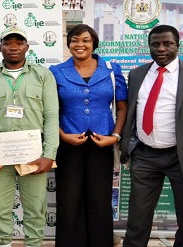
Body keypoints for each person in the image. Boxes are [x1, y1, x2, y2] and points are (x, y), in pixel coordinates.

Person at [0, 25, 59, 247]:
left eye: (19, 43)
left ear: (27, 47)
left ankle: (33, 244)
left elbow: (51, 116)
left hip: (33, 155)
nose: (13, 47)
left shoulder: (43, 76)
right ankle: (3, 243)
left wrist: (49, 154)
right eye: (8, 43)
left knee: (35, 207)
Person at [48, 24, 128, 247]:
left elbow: (122, 107)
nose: (79, 44)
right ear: (69, 44)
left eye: (85, 40)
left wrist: (115, 136)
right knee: (68, 200)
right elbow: (48, 110)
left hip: (101, 143)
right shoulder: (56, 71)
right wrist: (62, 135)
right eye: (74, 40)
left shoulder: (112, 69)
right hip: (68, 143)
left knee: (99, 200)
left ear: (94, 43)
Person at [120, 24, 183, 247]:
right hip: (145, 155)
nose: (161, 48)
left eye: (167, 43)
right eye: (155, 44)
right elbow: (131, 110)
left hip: (182, 157)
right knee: (138, 218)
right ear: (149, 46)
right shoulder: (137, 74)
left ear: (178, 46)